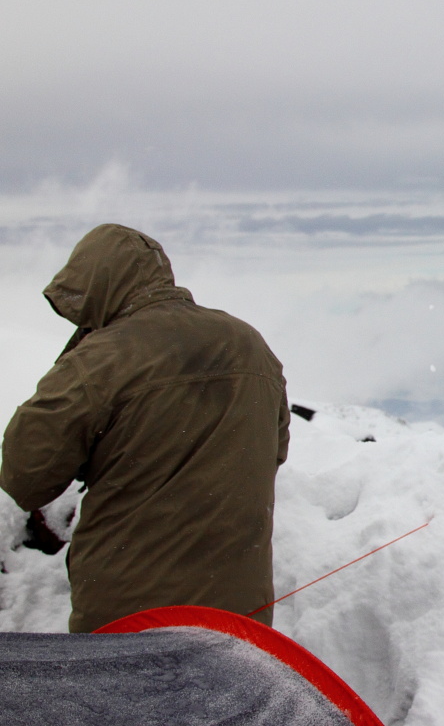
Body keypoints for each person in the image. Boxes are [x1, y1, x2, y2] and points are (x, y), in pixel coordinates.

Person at [0, 224, 290, 632]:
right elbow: (274, 450)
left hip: (130, 614)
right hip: (241, 614)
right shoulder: (249, 343)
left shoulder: (102, 358)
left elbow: (25, 477)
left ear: (98, 284)